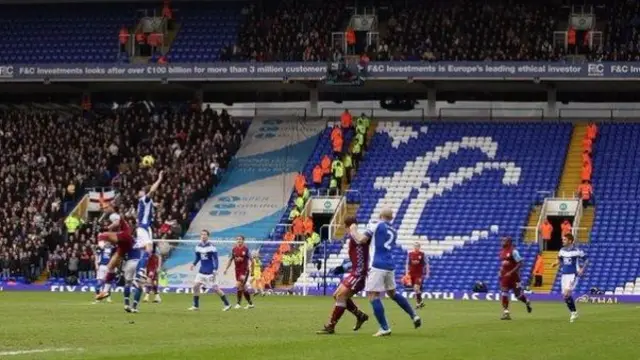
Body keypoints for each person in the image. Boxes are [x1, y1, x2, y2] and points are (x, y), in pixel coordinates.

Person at [349, 208, 421, 337]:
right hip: (389, 265)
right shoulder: (394, 230)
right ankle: (413, 315)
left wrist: (353, 230)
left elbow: (361, 239)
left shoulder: (376, 224)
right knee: (392, 294)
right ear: (391, 218)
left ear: (380, 215)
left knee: (372, 295)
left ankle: (384, 327)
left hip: (377, 264)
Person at [317, 216, 369, 335]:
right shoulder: (354, 238)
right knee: (337, 295)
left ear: (347, 227)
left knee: (341, 296)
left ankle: (331, 326)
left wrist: (353, 228)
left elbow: (361, 240)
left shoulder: (356, 236)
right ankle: (360, 315)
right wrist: (344, 267)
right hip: (354, 272)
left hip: (359, 273)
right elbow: (357, 257)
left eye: (345, 227)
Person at [95, 209, 135, 301]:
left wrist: (108, 227)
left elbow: (117, 222)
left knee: (102, 235)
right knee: (110, 266)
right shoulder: (119, 222)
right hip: (123, 244)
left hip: (124, 236)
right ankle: (105, 291)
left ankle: (100, 246)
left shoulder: (113, 216)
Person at [134, 171, 164, 289]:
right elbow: (152, 191)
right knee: (149, 249)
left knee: (146, 252)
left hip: (144, 228)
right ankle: (141, 270)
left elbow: (154, 203)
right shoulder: (144, 199)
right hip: (144, 227)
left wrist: (157, 206)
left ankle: (138, 274)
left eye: (141, 190)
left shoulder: (148, 202)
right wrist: (159, 179)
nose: (139, 192)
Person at [188, 230, 231, 311]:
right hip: (201, 271)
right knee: (195, 286)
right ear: (200, 236)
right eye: (202, 234)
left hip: (210, 272)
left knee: (216, 289)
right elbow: (198, 257)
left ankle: (227, 304)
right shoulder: (198, 246)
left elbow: (215, 259)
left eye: (205, 234)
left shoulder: (212, 246)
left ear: (208, 236)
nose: (203, 236)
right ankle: (196, 306)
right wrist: (193, 264)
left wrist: (215, 269)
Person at [551, 233, 588, 323]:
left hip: (573, 274)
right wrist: (555, 263)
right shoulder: (562, 250)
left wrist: (582, 269)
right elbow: (559, 259)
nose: (562, 241)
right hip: (564, 275)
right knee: (565, 297)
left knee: (567, 293)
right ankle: (574, 312)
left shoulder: (577, 251)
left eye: (564, 240)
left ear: (570, 241)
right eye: (563, 239)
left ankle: (573, 313)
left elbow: (586, 259)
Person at [498, 236, 532, 320]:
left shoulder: (514, 251)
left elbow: (520, 263)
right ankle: (506, 313)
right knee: (504, 293)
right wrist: (500, 271)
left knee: (518, 295)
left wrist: (511, 272)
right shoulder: (502, 252)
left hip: (515, 277)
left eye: (504, 241)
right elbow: (503, 264)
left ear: (509, 242)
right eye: (502, 240)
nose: (502, 242)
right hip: (505, 277)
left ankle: (527, 302)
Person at [224, 236, 254, 309]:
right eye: (237, 239)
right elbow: (231, 259)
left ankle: (238, 303)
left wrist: (252, 270)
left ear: (243, 241)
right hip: (237, 271)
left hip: (244, 271)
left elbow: (252, 260)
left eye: (240, 239)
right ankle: (250, 304)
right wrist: (226, 269)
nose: (238, 240)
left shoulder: (246, 249)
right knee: (243, 288)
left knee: (238, 285)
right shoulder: (234, 249)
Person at [406, 242, 428, 308]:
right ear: (413, 247)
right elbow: (407, 264)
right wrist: (406, 273)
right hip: (411, 274)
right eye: (415, 246)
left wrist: (427, 273)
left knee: (416, 288)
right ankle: (419, 303)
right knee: (416, 290)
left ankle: (419, 302)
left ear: (419, 247)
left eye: (417, 246)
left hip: (419, 274)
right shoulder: (410, 254)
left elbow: (426, 264)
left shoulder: (422, 254)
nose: (416, 247)